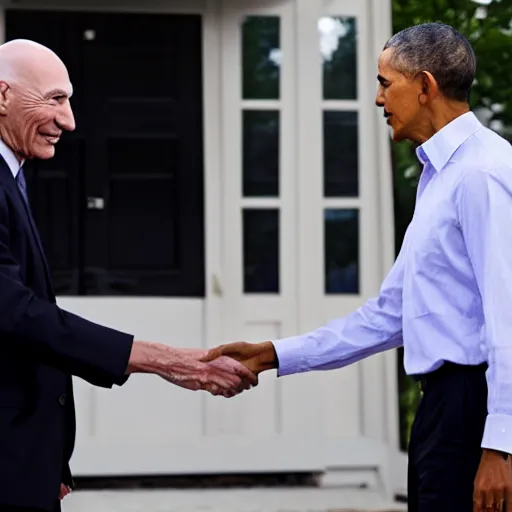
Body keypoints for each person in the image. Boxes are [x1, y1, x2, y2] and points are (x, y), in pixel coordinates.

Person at [203, 22, 512, 512]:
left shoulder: (483, 175)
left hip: (473, 415)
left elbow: (507, 317)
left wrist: (501, 445)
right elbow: (390, 315)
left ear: (426, 86)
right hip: (441, 415)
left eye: (385, 83)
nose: (376, 99)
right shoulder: (439, 178)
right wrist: (272, 354)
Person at [0, 39, 257, 512]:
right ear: (2, 96)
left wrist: (49, 461)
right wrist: (165, 359)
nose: (69, 120)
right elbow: (15, 314)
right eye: (55, 99)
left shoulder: (13, 174)